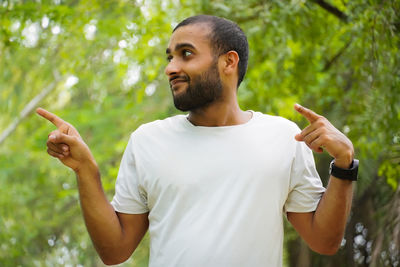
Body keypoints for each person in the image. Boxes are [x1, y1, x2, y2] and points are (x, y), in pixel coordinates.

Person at [37, 15, 358, 266]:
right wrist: (85, 170)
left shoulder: (284, 136)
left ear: (228, 62)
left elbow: (324, 241)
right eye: (169, 57)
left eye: (185, 54)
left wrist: (344, 165)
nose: (171, 68)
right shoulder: (148, 140)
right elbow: (115, 251)